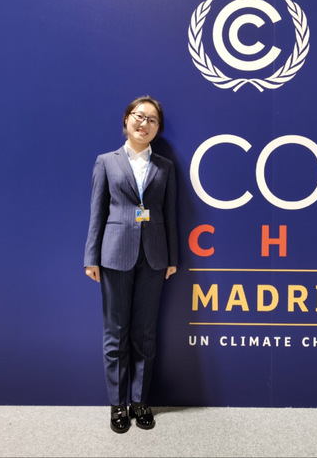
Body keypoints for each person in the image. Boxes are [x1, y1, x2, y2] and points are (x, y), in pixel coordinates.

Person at [84, 95, 178, 433]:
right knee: (115, 333)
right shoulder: (106, 162)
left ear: (157, 128)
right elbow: (97, 212)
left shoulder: (165, 167)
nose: (144, 123)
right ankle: (117, 404)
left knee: (145, 334)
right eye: (139, 116)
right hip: (114, 255)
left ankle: (139, 401)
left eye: (152, 120)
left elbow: (170, 214)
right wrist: (91, 257)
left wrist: (172, 257)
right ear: (126, 120)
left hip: (154, 257)